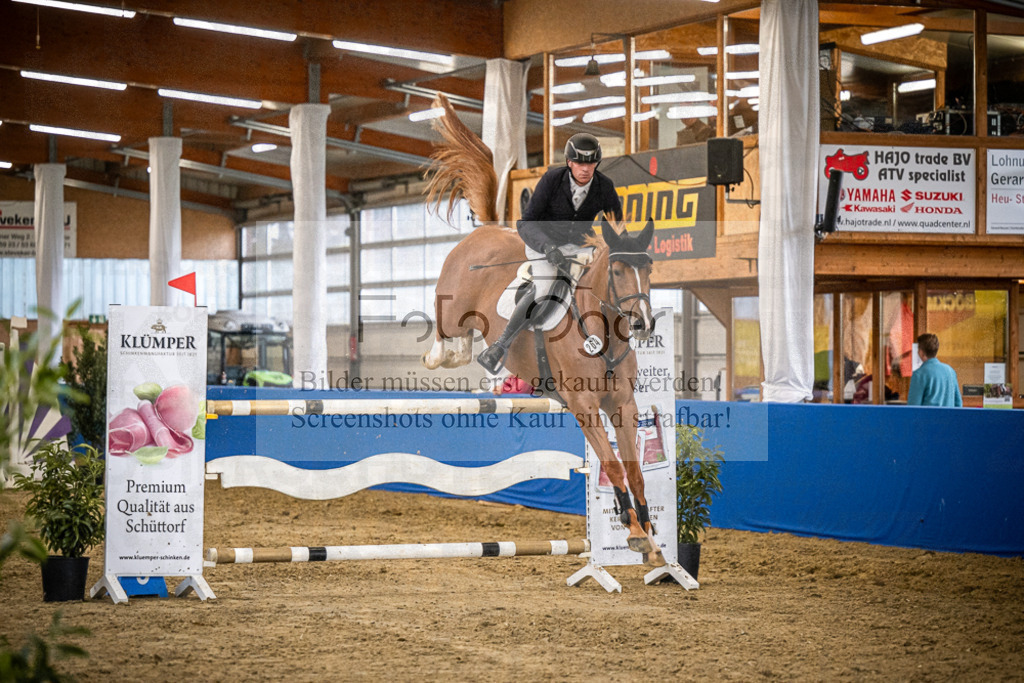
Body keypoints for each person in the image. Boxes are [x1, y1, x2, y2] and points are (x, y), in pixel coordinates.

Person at [477, 133, 623, 373]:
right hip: (542, 246)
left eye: (591, 164)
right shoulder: (552, 180)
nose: (586, 169)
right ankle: (501, 345)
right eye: (580, 163)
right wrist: (547, 247)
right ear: (569, 163)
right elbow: (525, 223)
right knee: (545, 289)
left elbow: (617, 224)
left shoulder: (604, 186)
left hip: (579, 248)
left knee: (601, 286)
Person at [907, 333, 962, 407]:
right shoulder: (951, 371)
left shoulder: (919, 374)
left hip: (927, 418)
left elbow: (913, 408)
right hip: (949, 418)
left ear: (921, 352)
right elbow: (958, 404)